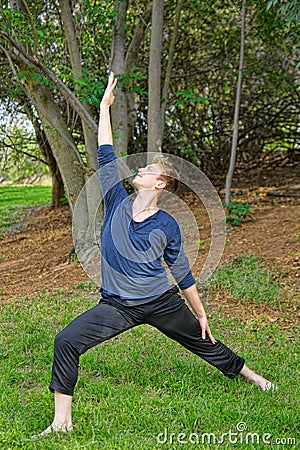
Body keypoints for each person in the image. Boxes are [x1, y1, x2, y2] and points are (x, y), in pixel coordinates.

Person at [35, 72, 274, 438]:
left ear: (160, 184)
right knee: (66, 341)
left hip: (161, 302)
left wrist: (200, 311)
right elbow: (105, 153)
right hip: (118, 305)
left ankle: (253, 377)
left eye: (148, 170)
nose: (141, 169)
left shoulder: (166, 225)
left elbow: (182, 273)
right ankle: (62, 423)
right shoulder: (117, 199)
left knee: (204, 342)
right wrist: (103, 108)